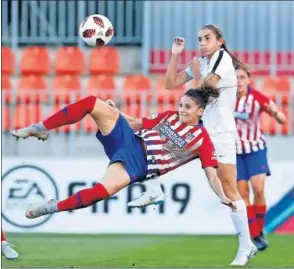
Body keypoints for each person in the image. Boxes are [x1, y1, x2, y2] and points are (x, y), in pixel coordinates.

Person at [12, 85, 237, 227]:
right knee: (92, 103)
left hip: (137, 165)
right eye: (180, 104)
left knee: (97, 194)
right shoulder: (169, 116)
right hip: (129, 139)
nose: (181, 110)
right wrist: (114, 111)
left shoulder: (203, 141)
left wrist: (221, 196)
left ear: (200, 111)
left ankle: (50, 207)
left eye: (187, 107)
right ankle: (42, 127)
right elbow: (136, 123)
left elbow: (212, 175)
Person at [124, 24, 256, 265]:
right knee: (150, 141)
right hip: (199, 131)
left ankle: (246, 246)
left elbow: (204, 91)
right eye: (200, 39)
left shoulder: (221, 59)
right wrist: (175, 54)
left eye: (207, 38)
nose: (202, 43)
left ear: (220, 41)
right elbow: (170, 83)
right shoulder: (202, 63)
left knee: (229, 188)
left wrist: (196, 72)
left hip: (221, 134)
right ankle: (154, 189)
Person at [234, 67, 286, 251]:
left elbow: (282, 119)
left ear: (248, 80)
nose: (238, 81)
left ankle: (258, 231)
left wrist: (275, 113)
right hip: (235, 152)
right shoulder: (224, 99)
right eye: (235, 78)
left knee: (258, 189)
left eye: (242, 77)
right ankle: (255, 235)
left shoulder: (257, 98)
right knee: (243, 194)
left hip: (255, 149)